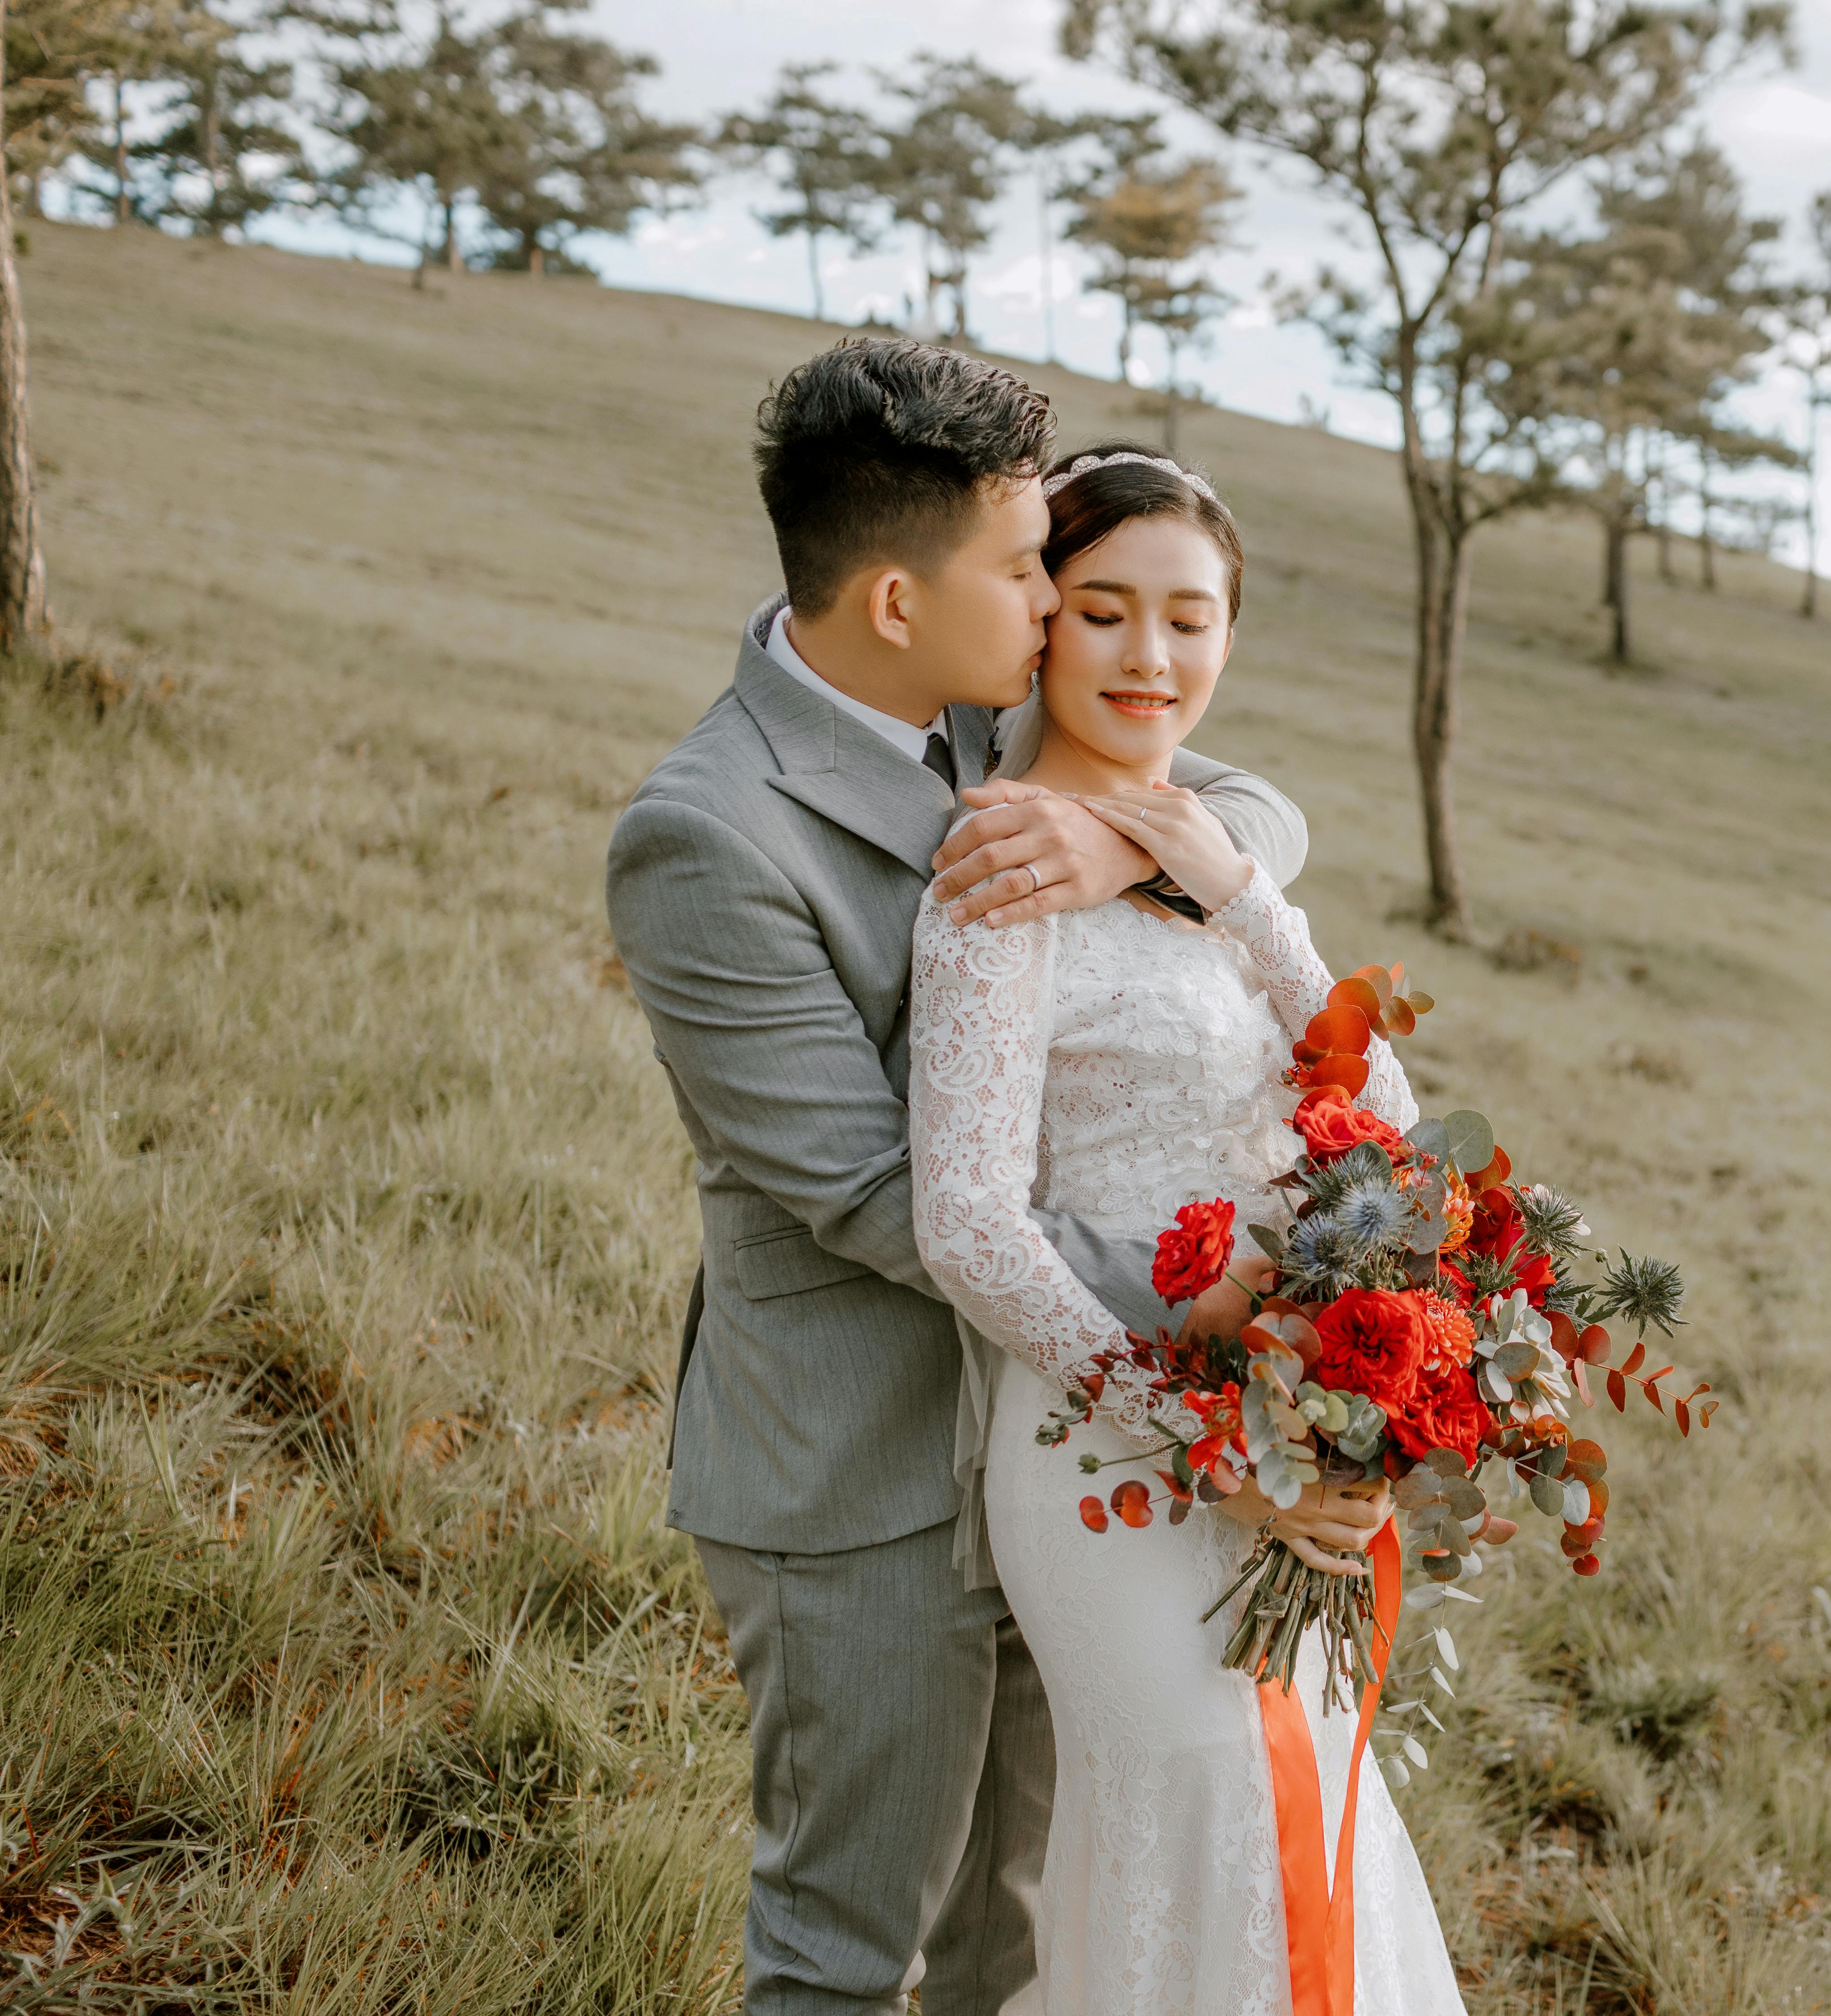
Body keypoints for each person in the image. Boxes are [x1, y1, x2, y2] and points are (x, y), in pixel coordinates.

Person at [605, 342, 1311, 2016]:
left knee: (1026, 1926)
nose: (1061, 607)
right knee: (850, 1950)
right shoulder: (706, 836)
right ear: (905, 602)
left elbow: (1256, 810)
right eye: (1026, 568)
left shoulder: (987, 704)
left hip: (1058, 1453)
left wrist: (1120, 837)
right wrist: (1200, 1294)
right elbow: (868, 1187)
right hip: (866, 1469)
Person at [909, 444, 1467, 2014]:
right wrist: (1212, 1445)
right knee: (1209, 1810)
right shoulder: (998, 870)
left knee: (1308, 1819)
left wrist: (1238, 890)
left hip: (1276, 1420)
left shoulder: (1211, 860)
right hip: (1112, 1455)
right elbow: (965, 1224)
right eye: (1104, 612)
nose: (1152, 659)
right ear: (1040, 625)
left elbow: (1394, 1123)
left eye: (1192, 620)